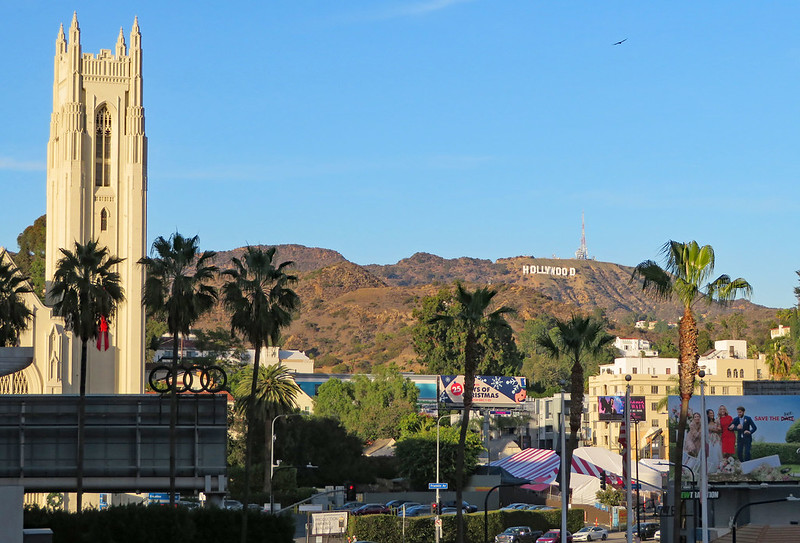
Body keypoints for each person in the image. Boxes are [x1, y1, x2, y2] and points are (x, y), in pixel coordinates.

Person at [706, 409, 723, 473]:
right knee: (710, 453)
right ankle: (709, 469)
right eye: (710, 413)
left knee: (717, 453)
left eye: (712, 413)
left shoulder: (716, 421)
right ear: (707, 415)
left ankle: (717, 469)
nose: (712, 414)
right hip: (709, 439)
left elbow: (720, 430)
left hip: (716, 438)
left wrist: (713, 429)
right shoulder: (705, 423)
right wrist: (714, 429)